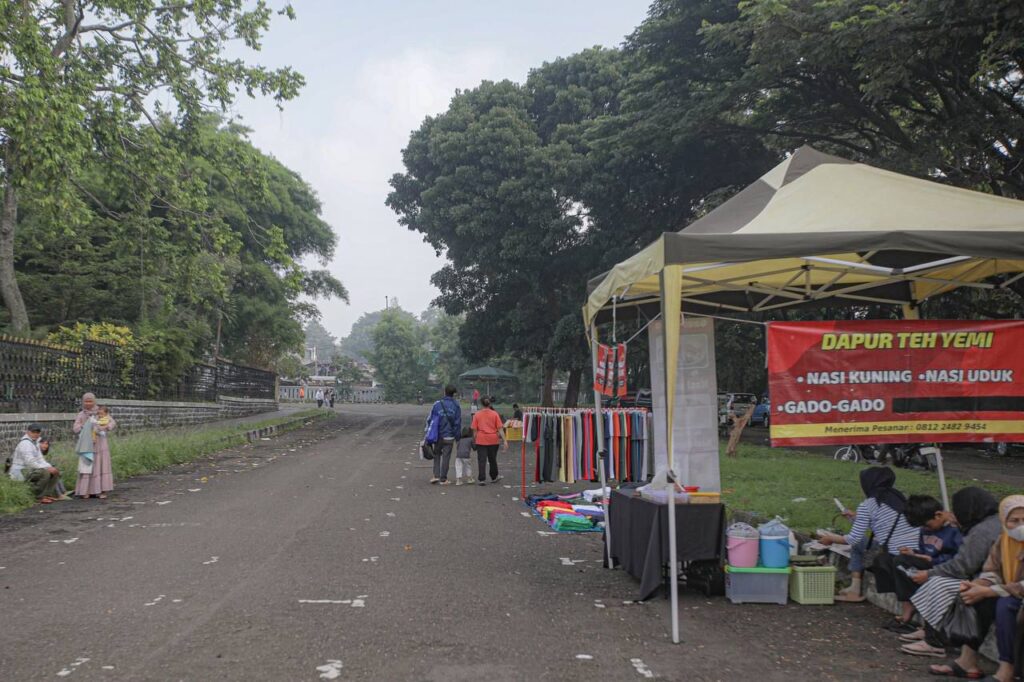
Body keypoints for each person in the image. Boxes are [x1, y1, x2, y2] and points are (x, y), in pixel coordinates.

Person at [900, 488, 1001, 670]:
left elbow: (963, 565)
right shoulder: (990, 523)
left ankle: (935, 642)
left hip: (986, 581)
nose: (955, 514)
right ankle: (930, 633)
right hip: (985, 578)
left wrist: (930, 573)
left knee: (939, 584)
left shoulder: (982, 530)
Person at [818, 467, 918, 602]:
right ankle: (854, 589)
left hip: (896, 553)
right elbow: (883, 524)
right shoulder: (898, 497)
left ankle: (854, 589)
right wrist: (855, 517)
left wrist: (830, 539)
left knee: (858, 543)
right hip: (915, 550)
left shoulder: (868, 505)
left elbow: (853, 539)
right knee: (861, 542)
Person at [886, 494, 963, 632]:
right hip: (929, 561)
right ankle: (909, 609)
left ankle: (925, 620)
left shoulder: (955, 530)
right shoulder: (925, 529)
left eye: (927, 525)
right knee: (899, 562)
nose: (926, 529)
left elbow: (960, 557)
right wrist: (913, 553)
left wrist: (934, 560)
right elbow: (924, 550)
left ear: (938, 515)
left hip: (946, 567)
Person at [73, 393, 115, 499]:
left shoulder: (100, 412)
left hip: (100, 444)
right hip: (87, 445)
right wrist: (85, 425)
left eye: (90, 401)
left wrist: (104, 427)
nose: (88, 403)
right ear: (83, 402)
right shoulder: (81, 414)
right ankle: (85, 490)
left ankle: (101, 490)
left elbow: (112, 423)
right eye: (86, 401)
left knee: (101, 466)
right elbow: (75, 428)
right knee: (87, 466)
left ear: (94, 401)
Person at [7, 423, 62, 503]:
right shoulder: (25, 444)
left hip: (30, 469)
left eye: (38, 432)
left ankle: (47, 495)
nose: (36, 434)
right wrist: (47, 468)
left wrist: (50, 467)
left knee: (54, 471)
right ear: (28, 432)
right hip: (21, 471)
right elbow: (30, 462)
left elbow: (40, 459)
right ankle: (37, 496)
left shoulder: (34, 442)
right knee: (45, 473)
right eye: (33, 432)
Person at [428, 385, 461, 485]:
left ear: (444, 392)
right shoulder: (456, 405)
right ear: (453, 394)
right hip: (449, 436)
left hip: (438, 436)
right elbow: (457, 423)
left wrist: (429, 433)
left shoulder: (437, 404)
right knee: (446, 457)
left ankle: (436, 475)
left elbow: (431, 420)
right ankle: (443, 478)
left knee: (437, 454)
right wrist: (457, 437)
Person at [471, 397, 507, 485]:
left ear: (481, 404)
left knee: (481, 460)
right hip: (493, 440)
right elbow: (500, 429)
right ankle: (494, 477)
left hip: (481, 439)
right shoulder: (495, 414)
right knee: (492, 459)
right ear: (490, 404)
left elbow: (474, 430)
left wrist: (474, 439)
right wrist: (505, 440)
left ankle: (482, 479)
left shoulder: (477, 414)